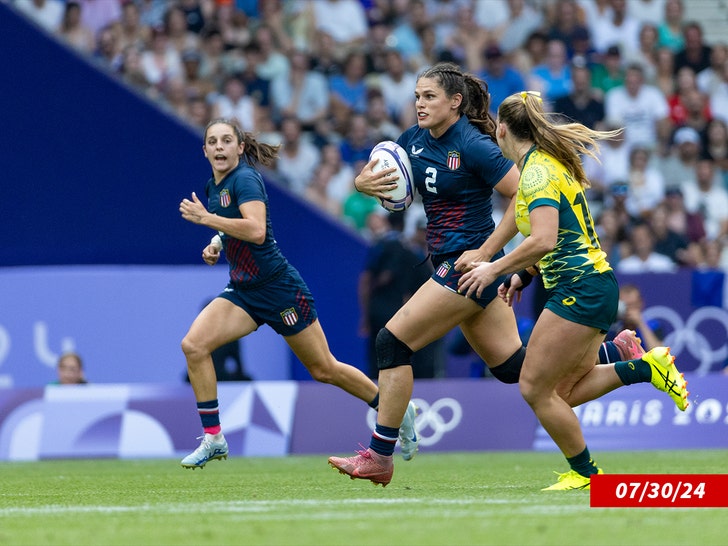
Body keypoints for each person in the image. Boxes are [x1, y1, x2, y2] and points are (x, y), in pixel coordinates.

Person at [327, 64, 648, 488]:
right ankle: (615, 354)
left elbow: (522, 191)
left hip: (463, 266)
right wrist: (363, 184)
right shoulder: (412, 141)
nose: (419, 104)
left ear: (455, 102)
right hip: (456, 263)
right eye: (417, 96)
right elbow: (382, 183)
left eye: (429, 97)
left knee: (392, 342)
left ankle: (380, 455)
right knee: (515, 369)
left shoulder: (475, 146)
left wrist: (490, 256)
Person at [457, 90, 689, 490]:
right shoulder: (545, 164)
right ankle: (644, 366)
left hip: (580, 288)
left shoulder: (536, 173)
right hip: (592, 285)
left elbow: (545, 239)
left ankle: (586, 473)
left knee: (533, 386)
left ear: (502, 129)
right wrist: (523, 274)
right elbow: (560, 235)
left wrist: (492, 267)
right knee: (561, 391)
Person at [178, 118, 417, 469]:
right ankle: (214, 438)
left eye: (226, 140)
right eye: (212, 141)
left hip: (279, 288)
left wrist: (207, 222)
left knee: (324, 368)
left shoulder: (244, 178)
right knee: (194, 346)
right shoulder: (215, 186)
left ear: (240, 147)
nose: (218, 147)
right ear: (204, 150)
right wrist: (216, 242)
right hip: (244, 290)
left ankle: (396, 408)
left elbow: (257, 231)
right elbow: (232, 222)